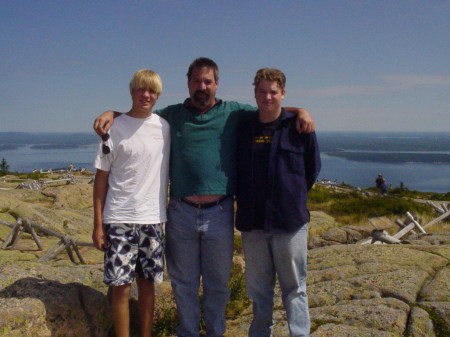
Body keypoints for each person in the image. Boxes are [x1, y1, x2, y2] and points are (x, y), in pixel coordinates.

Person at [93, 57, 315, 337]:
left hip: (220, 212)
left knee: (218, 284)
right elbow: (139, 114)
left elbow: (269, 107)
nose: (202, 86)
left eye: (207, 81)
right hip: (180, 212)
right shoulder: (170, 116)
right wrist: (112, 113)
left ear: (216, 84)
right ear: (188, 83)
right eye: (196, 81)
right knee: (183, 284)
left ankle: (215, 333)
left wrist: (300, 111)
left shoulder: (233, 112)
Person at [235, 68, 321, 337]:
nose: (267, 97)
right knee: (259, 291)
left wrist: (290, 194)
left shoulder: (298, 127)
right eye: (262, 91)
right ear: (255, 93)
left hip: (289, 222)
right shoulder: (243, 126)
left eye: (273, 91)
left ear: (283, 93)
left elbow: (312, 169)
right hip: (253, 224)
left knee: (295, 288)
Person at [92, 69, 170, 337]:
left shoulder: (164, 126)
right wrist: (98, 224)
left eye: (152, 91)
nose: (146, 95)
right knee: (120, 286)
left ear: (158, 95)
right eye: (141, 89)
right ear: (132, 91)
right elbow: (101, 179)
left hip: (151, 219)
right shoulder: (113, 129)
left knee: (148, 286)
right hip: (119, 218)